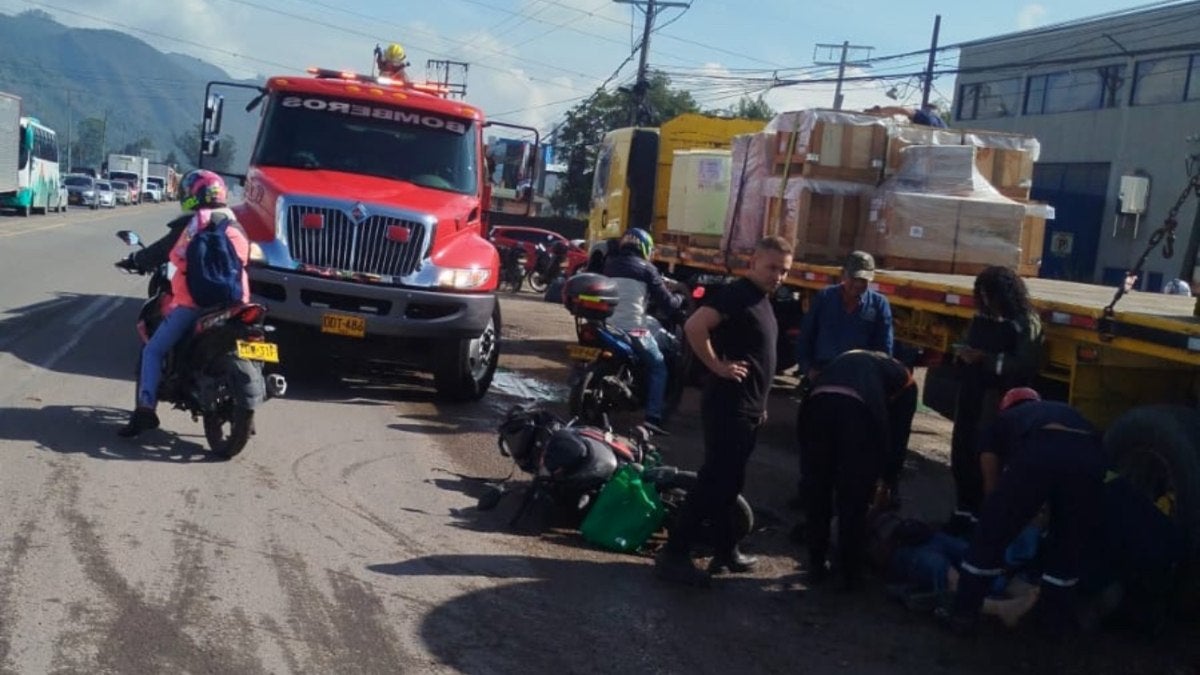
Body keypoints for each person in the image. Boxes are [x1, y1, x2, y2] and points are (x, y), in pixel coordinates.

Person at [654, 235, 793, 586]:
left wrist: (759, 405)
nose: (778, 276)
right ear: (753, 264)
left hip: (747, 407)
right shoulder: (737, 294)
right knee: (713, 482)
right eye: (772, 267)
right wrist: (717, 366)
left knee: (730, 483)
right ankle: (674, 552)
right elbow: (694, 326)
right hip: (727, 405)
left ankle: (725, 548)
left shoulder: (762, 300)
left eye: (784, 271)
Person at [940, 388, 1106, 638]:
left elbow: (991, 488)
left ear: (1006, 407)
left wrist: (1002, 514)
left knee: (990, 534)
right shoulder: (1063, 411)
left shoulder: (1001, 424)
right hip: (1090, 455)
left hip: (1043, 449)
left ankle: (964, 613)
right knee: (1068, 541)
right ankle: (1052, 620)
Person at [116, 170, 251, 438]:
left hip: (194, 304)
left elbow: (167, 254)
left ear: (193, 194)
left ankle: (145, 409)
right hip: (237, 302)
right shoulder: (237, 224)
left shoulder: (192, 225)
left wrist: (136, 261)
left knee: (153, 350)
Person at [797, 350, 917, 589]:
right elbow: (898, 437)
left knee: (818, 489)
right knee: (853, 497)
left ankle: (816, 564)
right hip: (856, 412)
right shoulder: (907, 383)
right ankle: (849, 574)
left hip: (816, 405)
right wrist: (888, 479)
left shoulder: (851, 357)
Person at [791, 251, 895, 509]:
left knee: (851, 443)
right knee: (814, 441)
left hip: (857, 384)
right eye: (855, 279)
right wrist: (808, 369)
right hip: (823, 378)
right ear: (843, 276)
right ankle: (809, 491)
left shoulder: (878, 305)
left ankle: (845, 496)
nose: (859, 285)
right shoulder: (825, 299)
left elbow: (884, 350)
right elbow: (806, 338)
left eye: (864, 281)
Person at [946, 266, 1043, 535]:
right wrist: (962, 353)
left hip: (997, 398)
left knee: (987, 453)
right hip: (970, 394)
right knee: (962, 449)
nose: (986, 302)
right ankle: (963, 510)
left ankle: (986, 516)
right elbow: (968, 339)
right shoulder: (982, 317)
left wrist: (985, 360)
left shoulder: (1025, 321)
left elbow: (1025, 363)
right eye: (982, 296)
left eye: (991, 296)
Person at [602, 228, 683, 433]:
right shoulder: (647, 269)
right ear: (645, 247)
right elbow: (667, 303)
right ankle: (653, 417)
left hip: (607, 325)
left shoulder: (609, 265)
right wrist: (679, 300)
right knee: (658, 366)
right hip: (634, 329)